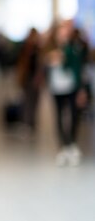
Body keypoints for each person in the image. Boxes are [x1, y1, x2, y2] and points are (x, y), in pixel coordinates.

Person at [44, 23, 88, 166]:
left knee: (74, 115)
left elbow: (79, 67)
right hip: (56, 89)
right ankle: (64, 147)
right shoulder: (49, 48)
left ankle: (72, 144)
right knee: (59, 116)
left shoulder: (75, 48)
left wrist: (82, 89)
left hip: (71, 87)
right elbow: (46, 65)